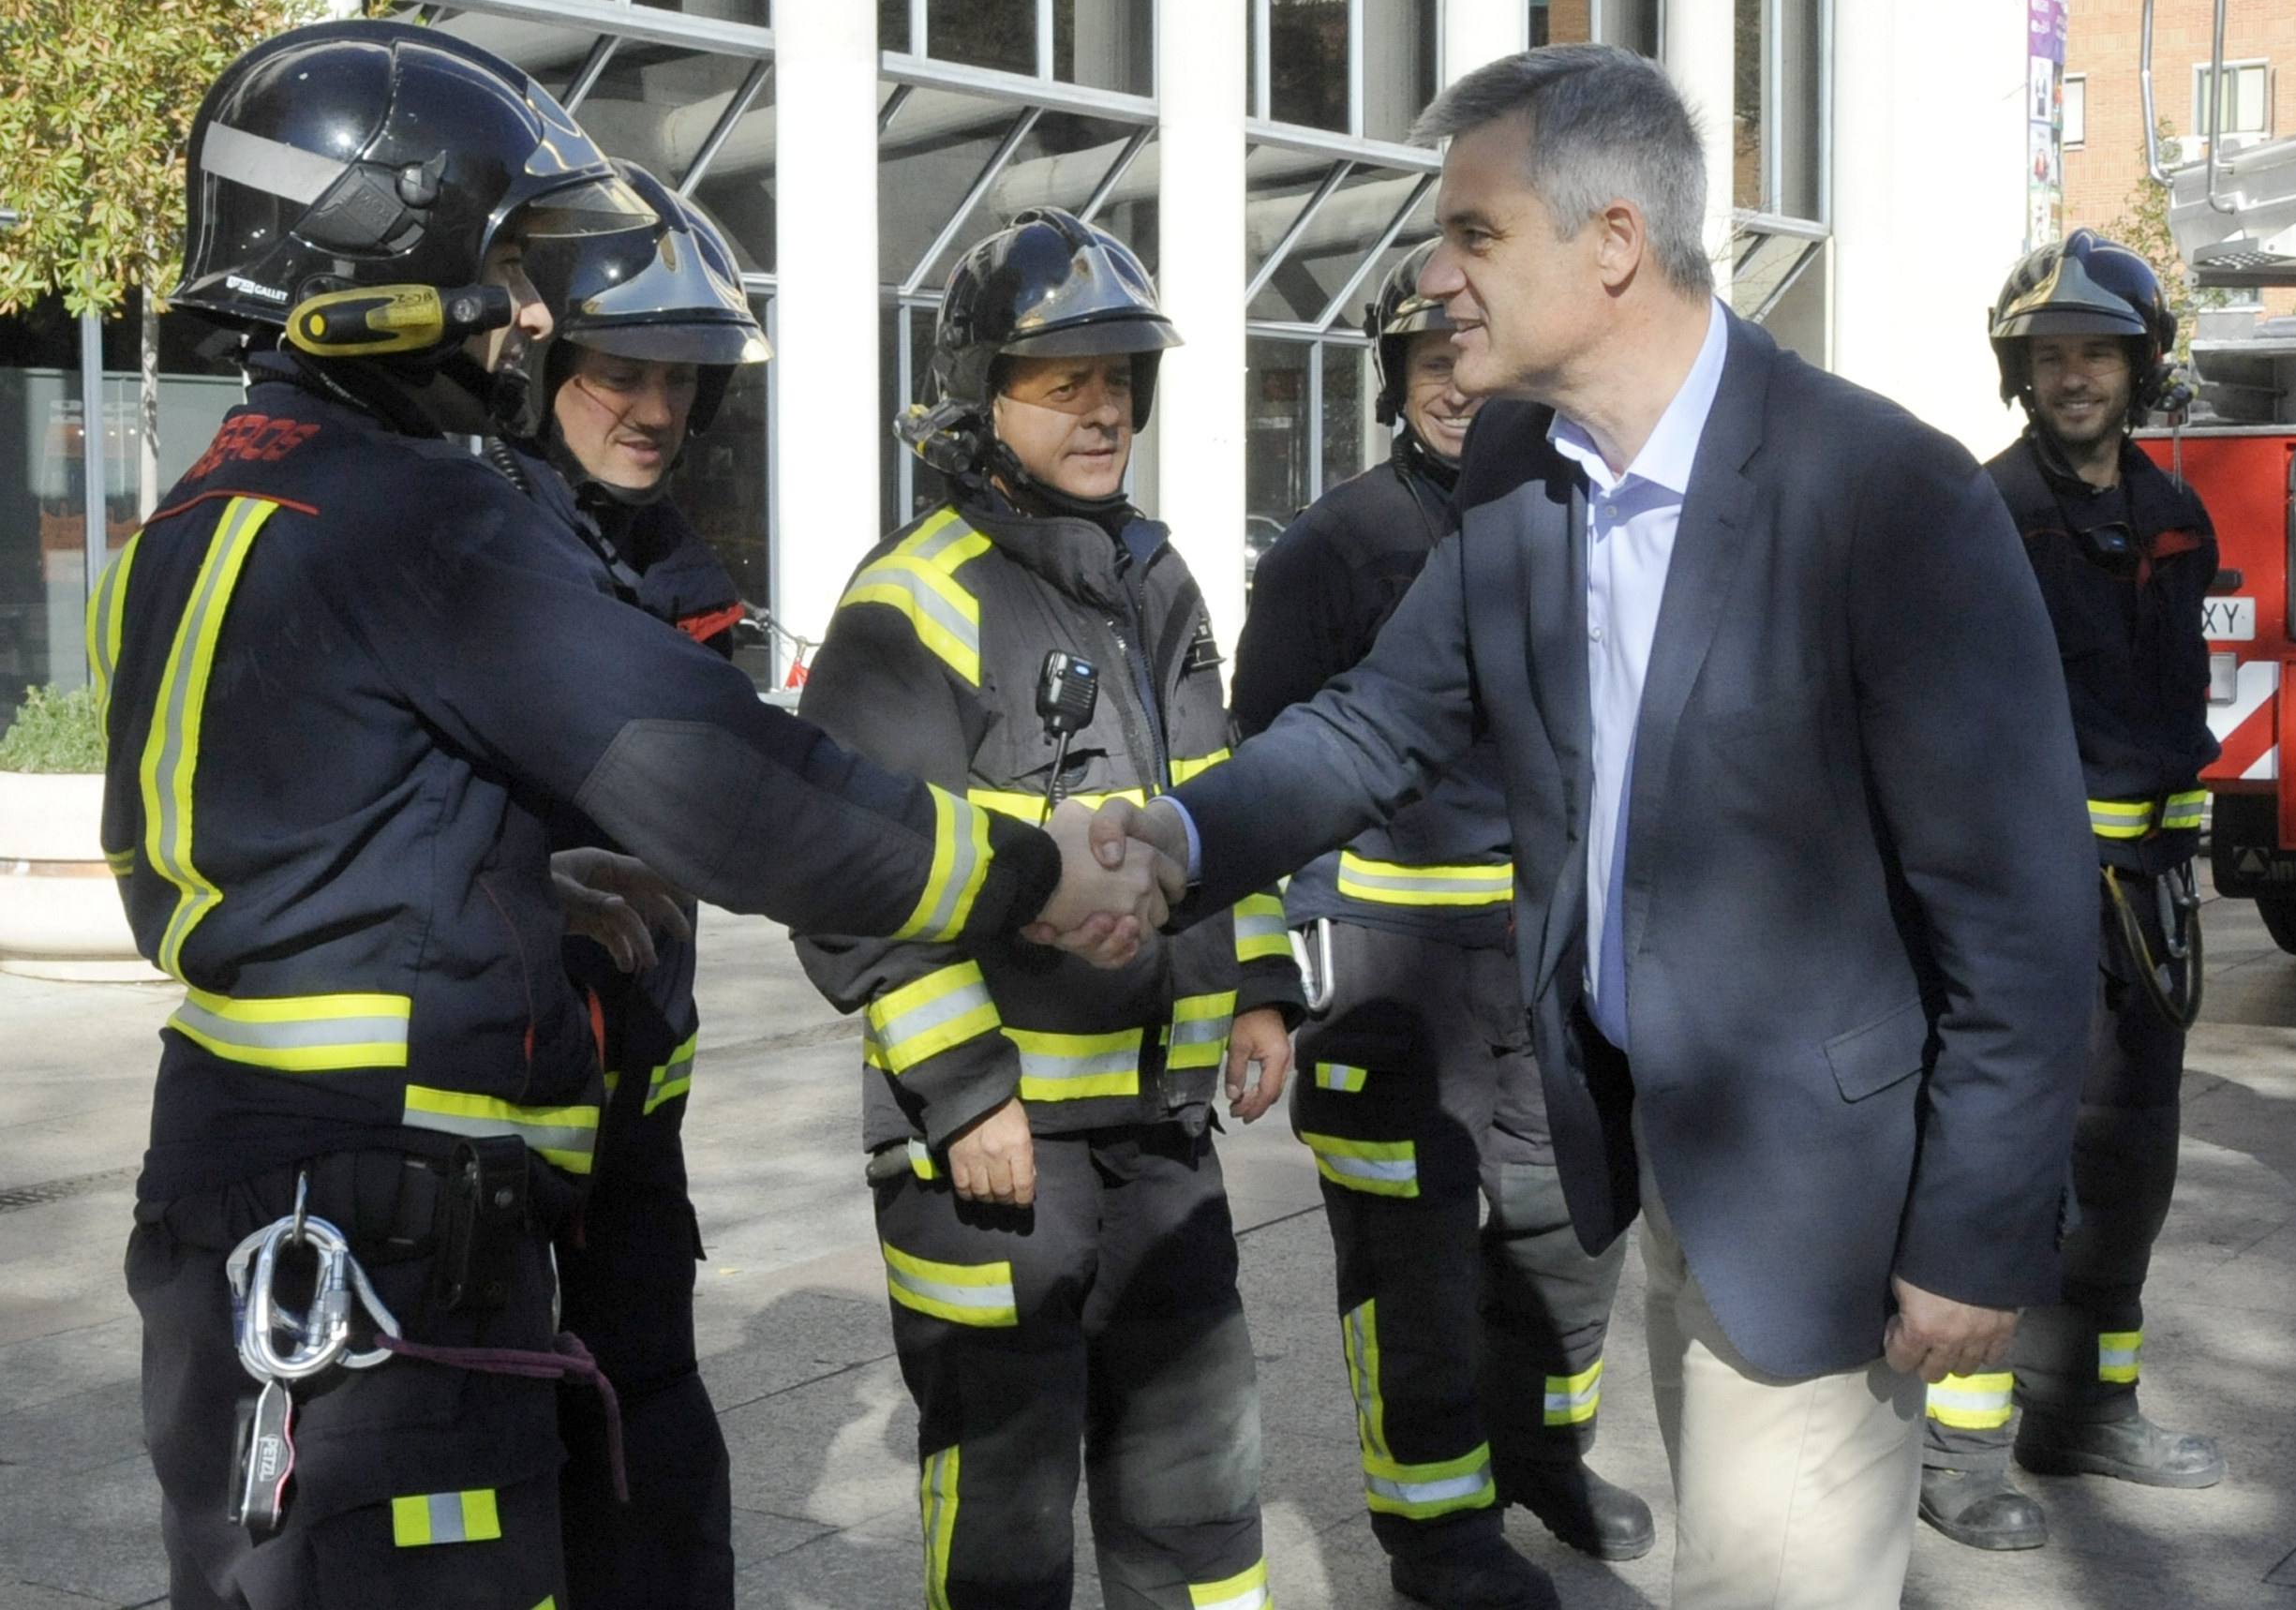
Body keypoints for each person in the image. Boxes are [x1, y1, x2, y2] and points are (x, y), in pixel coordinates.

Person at [99, 21, 1166, 1610]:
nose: (537, 312)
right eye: (506, 266)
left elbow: (306, 837)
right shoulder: (424, 515)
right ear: (382, 255)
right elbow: (728, 783)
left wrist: (513, 876)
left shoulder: (207, 510)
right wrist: (1026, 869)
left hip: (254, 1194)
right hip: (386, 1210)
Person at [1093, 43, 2097, 1610]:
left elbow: (2021, 917)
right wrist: (1173, 842)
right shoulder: (1523, 468)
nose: (1437, 276)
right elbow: (1376, 721)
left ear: (1614, 242)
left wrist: (1975, 1240)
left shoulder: (1885, 495)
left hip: (1823, 1190)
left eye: (1475, 235)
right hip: (1654, 1150)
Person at [791, 208, 1300, 1610]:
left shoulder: (1157, 577)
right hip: (998, 1153)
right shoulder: (913, 602)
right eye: (1064, 381)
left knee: (1199, 1478)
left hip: (1163, 1124)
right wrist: (964, 1094)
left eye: (1120, 380)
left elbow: (1220, 795)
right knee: (1008, 1509)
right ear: (981, 398)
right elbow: (859, 884)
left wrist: (1259, 985)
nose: (1104, 410)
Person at [1232, 240, 1651, 1610]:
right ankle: (1436, 1532)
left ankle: (1543, 1458)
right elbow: (1262, 761)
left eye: (1471, 356)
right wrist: (1270, 975)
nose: (1455, 387)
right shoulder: (1332, 548)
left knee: (1566, 1238)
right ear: (1394, 378)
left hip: (1544, 967)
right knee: (1409, 1271)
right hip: (1388, 978)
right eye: (1427, 363)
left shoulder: (1564, 514)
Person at [1918, 231, 2229, 1551]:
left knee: (2130, 1163)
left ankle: (2087, 1408)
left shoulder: (2177, 518)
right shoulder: (1984, 515)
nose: (2074, 376)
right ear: (2021, 375)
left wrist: (2177, 864)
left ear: (2140, 367)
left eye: (2098, 352)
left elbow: (2174, 714)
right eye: (2050, 356)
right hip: (2023, 906)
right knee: (2009, 1167)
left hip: (2145, 905)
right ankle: (1961, 1444)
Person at [494, 161, 773, 1605]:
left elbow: (744, 807)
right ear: (541, 362)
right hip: (477, 1136)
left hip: (633, 1126)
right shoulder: (473, 548)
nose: (656, 408)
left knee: (655, 1459)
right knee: (491, 1478)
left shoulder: (682, 573)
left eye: (681, 377)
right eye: (622, 370)